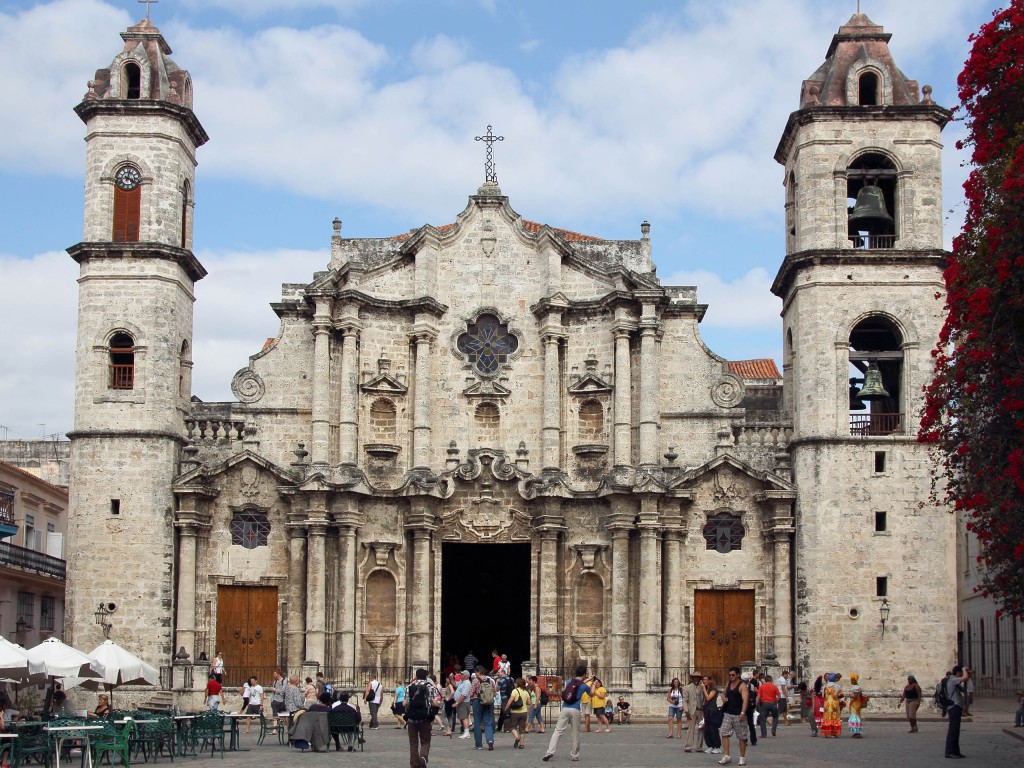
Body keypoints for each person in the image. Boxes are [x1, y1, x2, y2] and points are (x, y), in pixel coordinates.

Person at [542, 664, 590, 762]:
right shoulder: (584, 686)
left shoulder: (569, 681)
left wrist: (586, 680)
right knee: (575, 734)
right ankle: (574, 755)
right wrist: (592, 683)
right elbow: (591, 693)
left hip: (565, 708)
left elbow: (575, 686)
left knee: (558, 731)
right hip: (575, 710)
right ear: (584, 674)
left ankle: (550, 752)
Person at [405, 668, 438, 768]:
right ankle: (423, 759)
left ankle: (414, 764)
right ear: (426, 676)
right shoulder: (430, 686)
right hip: (425, 718)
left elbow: (405, 702)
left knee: (413, 744)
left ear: (416, 676)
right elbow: (434, 702)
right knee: (425, 741)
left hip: (411, 718)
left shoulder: (409, 686)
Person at [717, 666, 749, 766]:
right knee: (724, 732)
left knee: (742, 736)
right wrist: (724, 699)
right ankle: (727, 756)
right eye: (730, 675)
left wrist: (743, 713)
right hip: (728, 713)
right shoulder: (729, 684)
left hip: (739, 714)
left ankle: (742, 757)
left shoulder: (742, 685)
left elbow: (745, 700)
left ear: (738, 675)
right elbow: (723, 694)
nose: (731, 676)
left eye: (733, 675)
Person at [944, 665, 970, 759]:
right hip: (954, 707)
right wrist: (964, 670)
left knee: (956, 731)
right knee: (953, 730)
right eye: (960, 673)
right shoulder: (952, 679)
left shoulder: (953, 680)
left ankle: (955, 751)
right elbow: (965, 677)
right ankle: (949, 751)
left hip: (956, 707)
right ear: (958, 672)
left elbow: (964, 685)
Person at [470, 665, 497, 750]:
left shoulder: (475, 680)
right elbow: (495, 693)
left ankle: (479, 745)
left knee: (477, 723)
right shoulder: (491, 680)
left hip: (477, 702)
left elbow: (471, 693)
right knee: (488, 722)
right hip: (489, 703)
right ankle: (490, 741)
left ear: (478, 672)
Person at [502, 677, 531, 749]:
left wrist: (506, 707)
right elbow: (529, 702)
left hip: (515, 712)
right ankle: (521, 744)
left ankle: (517, 737)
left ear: (517, 684)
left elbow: (510, 700)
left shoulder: (515, 691)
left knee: (512, 727)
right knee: (522, 728)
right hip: (524, 712)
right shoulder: (526, 692)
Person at [702, 675, 722, 755]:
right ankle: (710, 745)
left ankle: (717, 746)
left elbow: (708, 698)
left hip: (712, 710)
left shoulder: (714, 689)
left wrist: (703, 688)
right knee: (707, 729)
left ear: (710, 680)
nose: (704, 681)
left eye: (706, 679)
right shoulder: (707, 689)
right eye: (703, 679)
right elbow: (704, 701)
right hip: (706, 710)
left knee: (713, 729)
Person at [755, 673, 780, 738]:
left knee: (762, 719)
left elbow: (758, 696)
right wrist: (776, 701)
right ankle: (773, 729)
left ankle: (764, 734)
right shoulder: (774, 686)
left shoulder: (762, 687)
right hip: (773, 703)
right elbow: (779, 696)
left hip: (764, 703)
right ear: (771, 680)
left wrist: (756, 703)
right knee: (775, 716)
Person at [682, 674, 701, 751]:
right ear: (692, 679)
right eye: (695, 678)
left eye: (698, 678)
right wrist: (686, 711)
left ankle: (699, 746)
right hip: (691, 710)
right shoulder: (687, 687)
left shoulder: (702, 687)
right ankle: (688, 746)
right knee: (690, 729)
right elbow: (684, 700)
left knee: (701, 729)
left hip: (700, 710)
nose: (696, 679)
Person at [821, 673, 843, 738]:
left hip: (827, 703)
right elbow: (840, 695)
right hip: (834, 703)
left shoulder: (824, 687)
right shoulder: (838, 686)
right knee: (834, 717)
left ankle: (826, 732)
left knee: (827, 717)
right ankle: (834, 732)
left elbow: (823, 696)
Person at [454, 671, 472, 739]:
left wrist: (457, 703)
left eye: (461, 674)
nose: (460, 675)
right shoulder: (461, 682)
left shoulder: (467, 683)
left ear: (465, 676)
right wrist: (451, 678)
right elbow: (455, 685)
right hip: (461, 702)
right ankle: (466, 732)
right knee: (462, 717)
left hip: (464, 702)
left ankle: (466, 733)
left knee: (464, 718)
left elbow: (463, 695)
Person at [846, 673, 864, 738]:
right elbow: (860, 695)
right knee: (856, 717)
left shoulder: (856, 687)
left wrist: (848, 696)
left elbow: (855, 697)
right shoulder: (858, 687)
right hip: (857, 704)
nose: (851, 681)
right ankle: (856, 731)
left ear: (854, 680)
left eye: (852, 680)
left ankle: (857, 732)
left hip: (855, 704)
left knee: (855, 717)